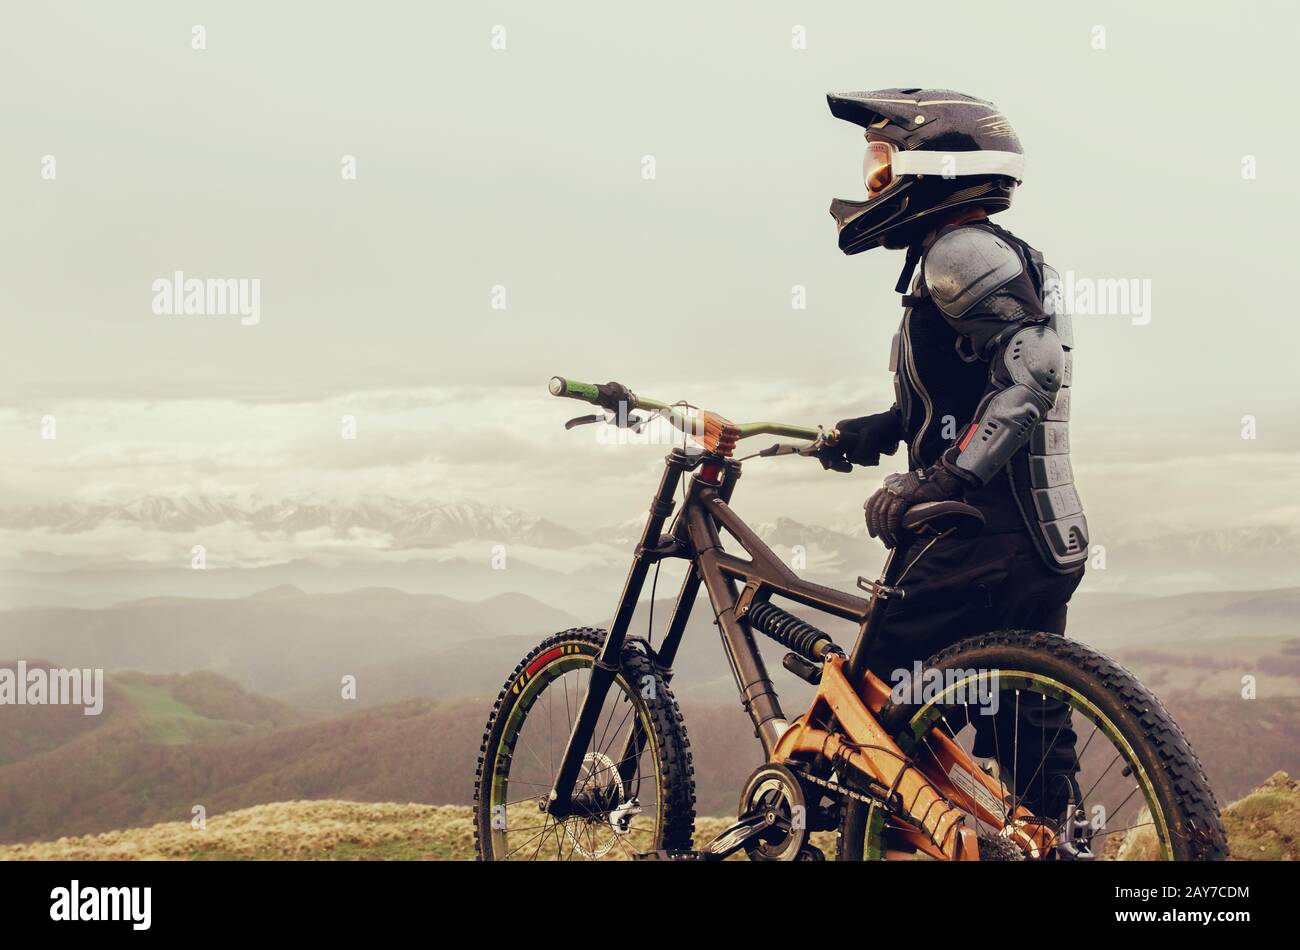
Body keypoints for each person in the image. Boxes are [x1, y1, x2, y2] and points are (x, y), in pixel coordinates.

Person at [817, 88, 1089, 823]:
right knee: (1028, 742)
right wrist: (879, 428)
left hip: (972, 540)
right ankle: (1048, 842)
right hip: (1038, 541)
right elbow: (967, 391)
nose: (874, 182)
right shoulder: (999, 255)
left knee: (864, 727)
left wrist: (943, 480)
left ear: (932, 167)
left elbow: (1032, 369)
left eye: (883, 165)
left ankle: (842, 830)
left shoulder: (958, 250)